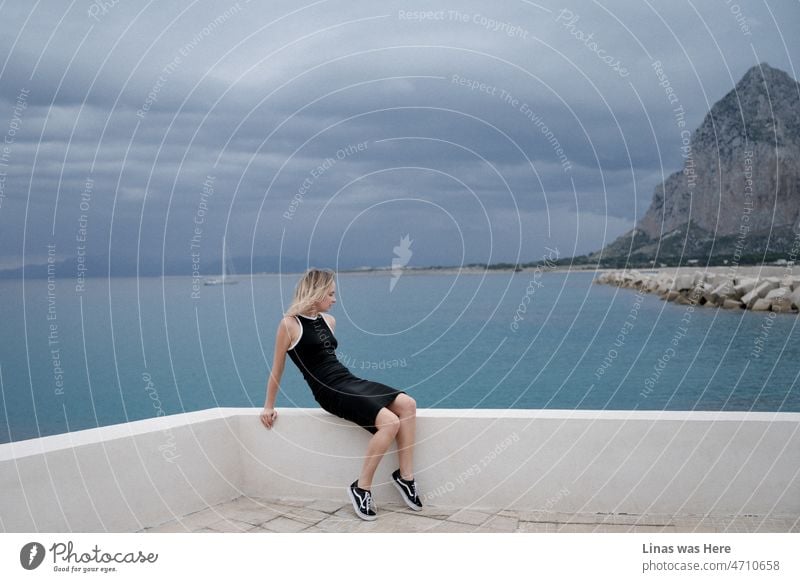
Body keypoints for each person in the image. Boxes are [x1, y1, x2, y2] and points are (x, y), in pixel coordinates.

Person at [260, 267, 422, 521]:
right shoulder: (289, 325)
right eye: (331, 294)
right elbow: (277, 368)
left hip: (348, 380)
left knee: (408, 404)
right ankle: (362, 488)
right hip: (328, 390)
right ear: (317, 293)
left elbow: (329, 359)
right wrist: (269, 405)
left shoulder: (329, 322)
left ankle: (405, 477)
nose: (335, 300)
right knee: (390, 422)